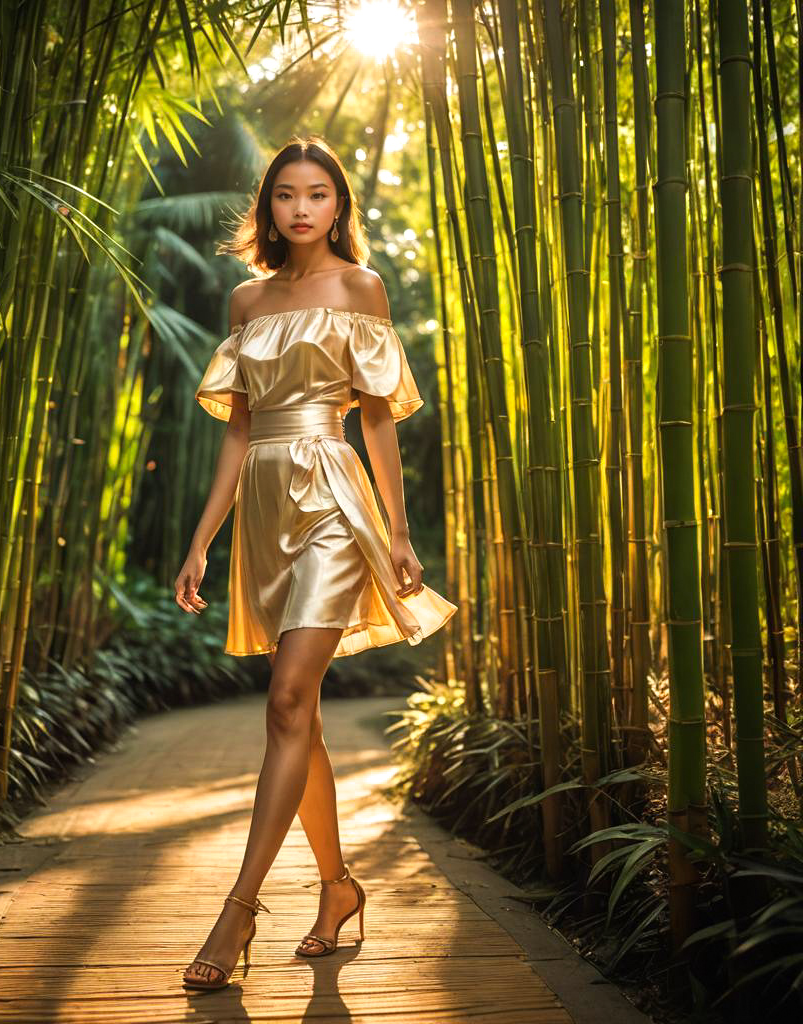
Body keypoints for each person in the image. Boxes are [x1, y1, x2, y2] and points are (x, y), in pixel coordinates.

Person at [174, 135, 457, 990]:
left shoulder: (359, 286)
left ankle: (239, 910)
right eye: (288, 195)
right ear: (270, 207)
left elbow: (376, 420)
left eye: (320, 194)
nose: (303, 208)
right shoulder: (247, 300)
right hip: (264, 504)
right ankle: (338, 889)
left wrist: (398, 533)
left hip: (333, 494)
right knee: (304, 721)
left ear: (339, 207)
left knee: (289, 696)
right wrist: (201, 538)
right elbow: (238, 429)